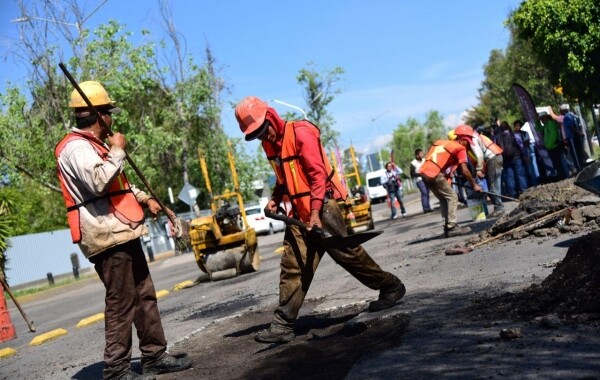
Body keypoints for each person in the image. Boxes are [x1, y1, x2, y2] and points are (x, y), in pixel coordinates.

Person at [235, 96, 405, 344]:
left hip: (322, 206)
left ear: (271, 118)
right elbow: (283, 177)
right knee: (293, 263)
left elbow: (317, 176)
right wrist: (276, 197)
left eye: (263, 130)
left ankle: (390, 286)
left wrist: (315, 214)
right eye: (256, 135)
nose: (263, 137)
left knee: (347, 255)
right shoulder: (269, 145)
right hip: (300, 212)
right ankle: (283, 324)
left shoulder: (302, 133)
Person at [55, 81, 192, 380]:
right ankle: (116, 370)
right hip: (105, 237)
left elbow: (120, 185)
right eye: (109, 114)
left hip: (122, 231)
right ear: (98, 114)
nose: (112, 120)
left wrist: (147, 200)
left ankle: (154, 356)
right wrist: (117, 150)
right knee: (121, 302)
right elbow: (98, 181)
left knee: (144, 296)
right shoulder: (75, 148)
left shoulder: (96, 146)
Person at [420, 135, 482, 237]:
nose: (468, 148)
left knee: (444, 198)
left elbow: (439, 161)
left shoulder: (440, 142)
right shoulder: (460, 148)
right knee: (452, 197)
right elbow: (465, 170)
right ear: (462, 141)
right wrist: (474, 185)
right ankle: (452, 227)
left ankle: (447, 226)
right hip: (435, 174)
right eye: (468, 145)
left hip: (424, 173)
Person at [450, 125, 505, 218]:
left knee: (493, 185)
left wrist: (479, 170)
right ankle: (498, 208)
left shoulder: (473, 139)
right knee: (491, 184)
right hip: (492, 159)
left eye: (459, 138)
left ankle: (499, 209)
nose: (459, 141)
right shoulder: (473, 137)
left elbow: (479, 156)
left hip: (493, 159)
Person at [494, 121, 529, 198]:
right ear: (508, 127)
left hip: (505, 159)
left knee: (509, 177)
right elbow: (521, 146)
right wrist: (525, 155)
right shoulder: (514, 135)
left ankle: (513, 194)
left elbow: (495, 150)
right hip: (517, 157)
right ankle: (524, 191)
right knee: (520, 175)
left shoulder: (497, 138)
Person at [550, 104, 585, 173]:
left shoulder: (566, 117)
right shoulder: (573, 115)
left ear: (564, 110)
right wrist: (580, 133)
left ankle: (579, 169)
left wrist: (578, 133)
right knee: (579, 153)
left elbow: (571, 127)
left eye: (561, 110)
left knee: (574, 154)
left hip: (572, 137)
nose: (560, 111)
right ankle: (582, 167)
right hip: (576, 137)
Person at [536, 107, 568, 180]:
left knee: (559, 163)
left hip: (555, 146)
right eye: (541, 119)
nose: (542, 121)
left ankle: (563, 176)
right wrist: (537, 121)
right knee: (556, 163)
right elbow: (538, 128)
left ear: (546, 118)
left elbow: (553, 136)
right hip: (551, 147)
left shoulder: (551, 124)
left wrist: (549, 146)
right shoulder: (546, 125)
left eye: (542, 119)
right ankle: (562, 176)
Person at [513, 120, 538, 187]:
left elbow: (527, 142)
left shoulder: (524, 133)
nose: (518, 127)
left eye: (519, 125)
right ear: (514, 126)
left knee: (531, 170)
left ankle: (534, 184)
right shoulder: (513, 135)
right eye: (517, 125)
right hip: (519, 155)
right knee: (524, 171)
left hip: (527, 153)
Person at [410, 149, 432, 213]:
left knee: (427, 193)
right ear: (417, 155)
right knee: (424, 192)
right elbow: (412, 173)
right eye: (421, 153)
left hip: (426, 178)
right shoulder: (413, 163)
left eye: (422, 153)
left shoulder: (424, 161)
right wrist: (420, 174)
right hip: (419, 180)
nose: (422, 154)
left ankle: (428, 207)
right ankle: (425, 208)